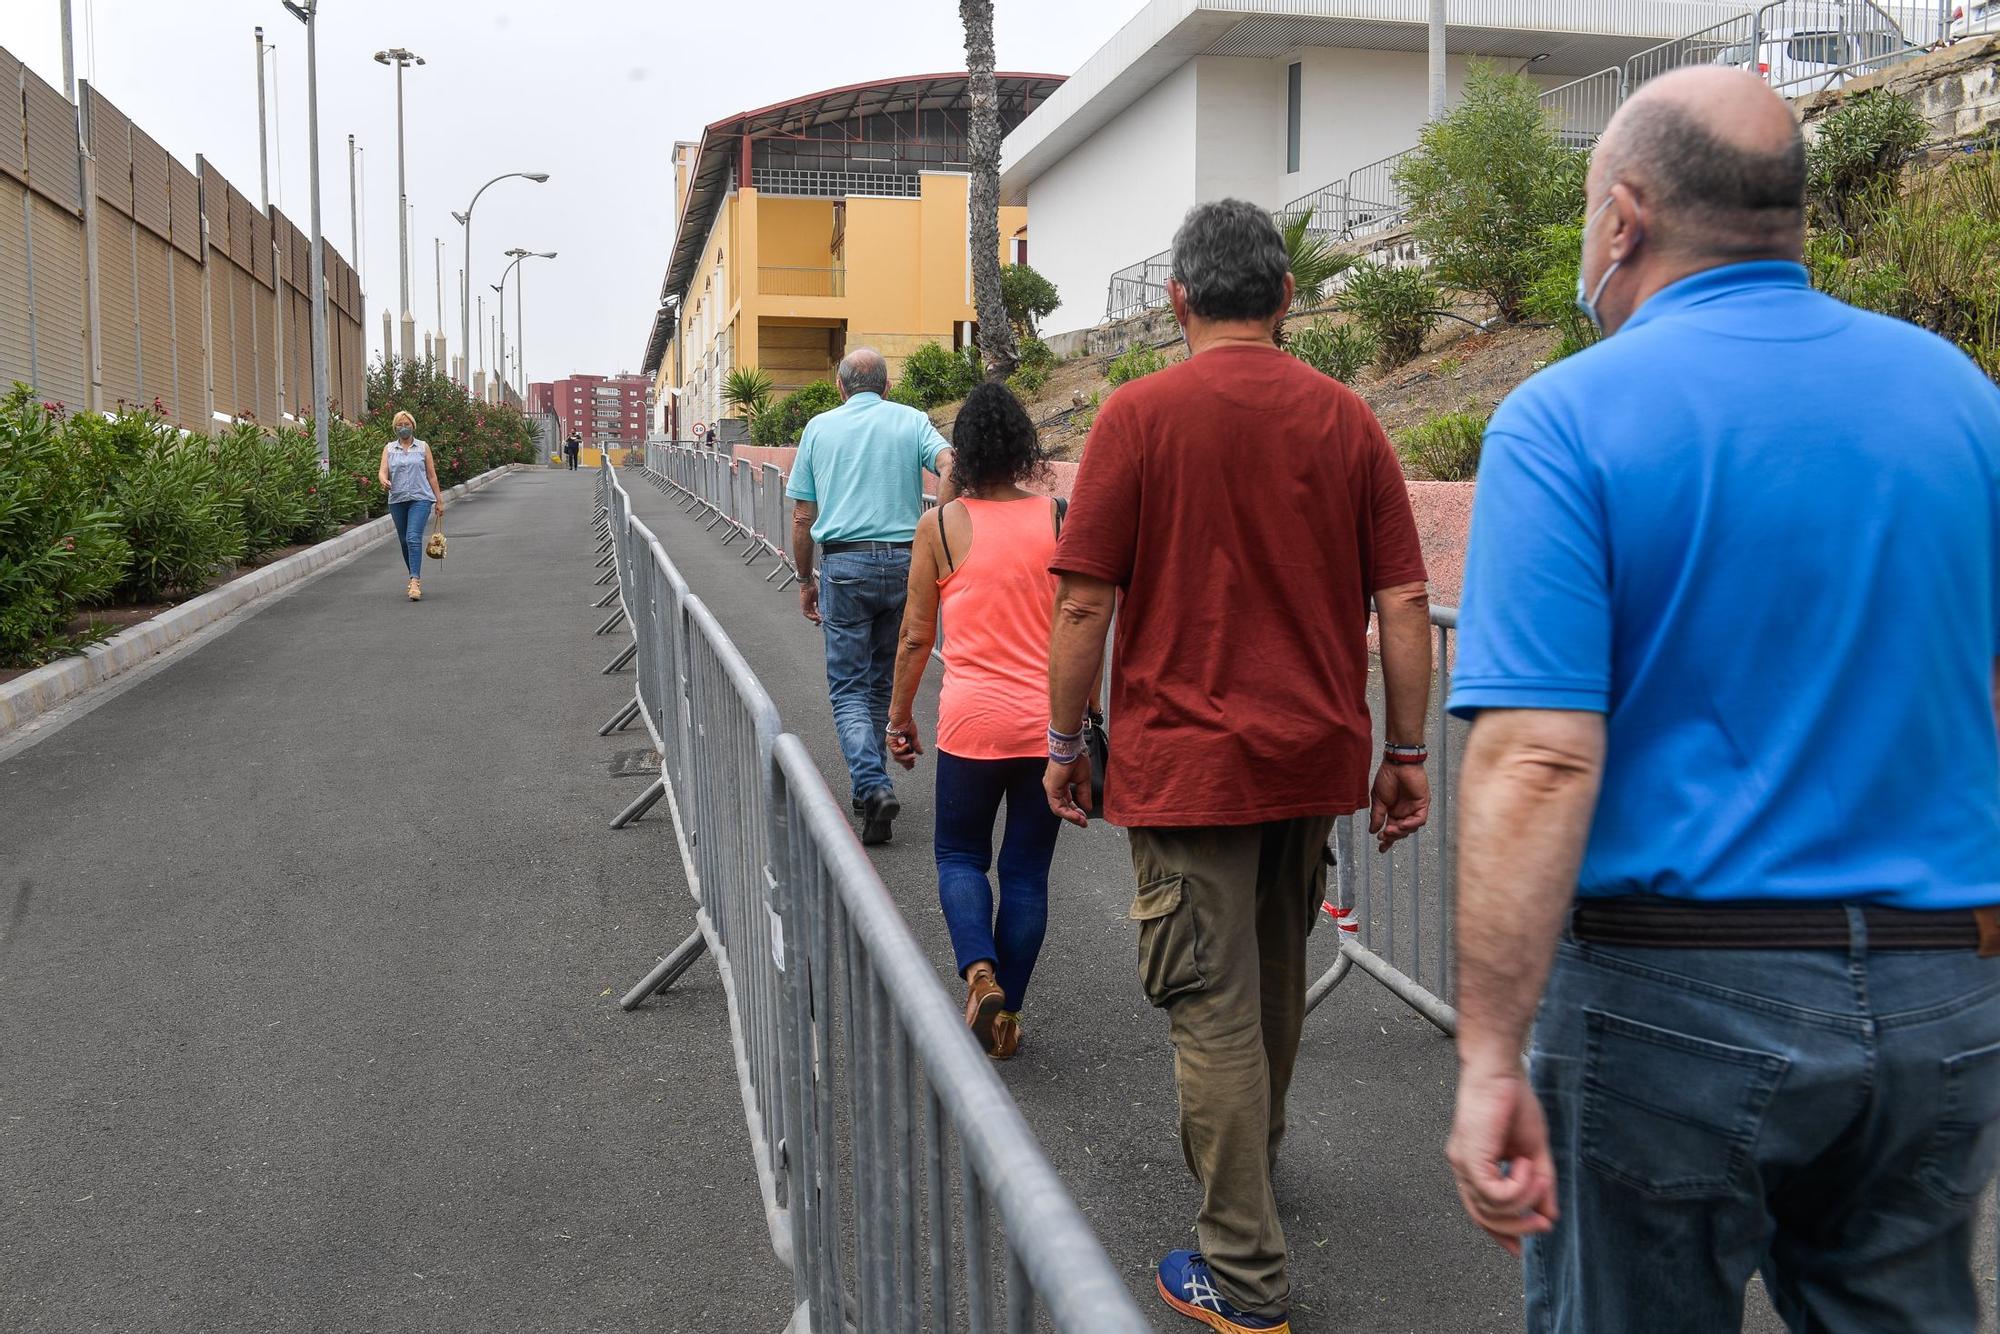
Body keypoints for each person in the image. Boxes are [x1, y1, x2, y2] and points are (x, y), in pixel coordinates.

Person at [1443, 67, 2000, 1333]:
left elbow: (1535, 757)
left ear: (1624, 220)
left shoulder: (1563, 421)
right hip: (1936, 998)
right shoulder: (1962, 400)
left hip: (1673, 1001)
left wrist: (1487, 1055)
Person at [1043, 198, 1433, 1334]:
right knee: (1268, 980)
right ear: (1284, 295)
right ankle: (1248, 1168)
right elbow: (1402, 600)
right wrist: (1404, 750)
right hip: (1310, 759)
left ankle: (1244, 1272)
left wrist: (1062, 744)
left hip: (1187, 765)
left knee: (1207, 1005)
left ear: (1176, 299)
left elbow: (1082, 602)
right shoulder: (1346, 420)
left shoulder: (1137, 416)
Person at [884, 381, 1071, 1060]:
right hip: (1047, 726)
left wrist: (899, 717)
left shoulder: (938, 526)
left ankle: (978, 973)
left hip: (970, 725)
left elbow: (913, 635)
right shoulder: (1057, 517)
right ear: (1023, 447)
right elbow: (1083, 626)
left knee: (960, 856)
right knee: (1025, 874)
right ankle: (1008, 1017)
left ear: (961, 452)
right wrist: (1086, 720)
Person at [787, 348, 956, 844]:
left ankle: (871, 785)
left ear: (841, 388)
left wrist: (804, 579)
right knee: (882, 678)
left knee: (847, 687)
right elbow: (952, 461)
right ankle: (871, 789)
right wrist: (935, 525)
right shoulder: (911, 420)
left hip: (844, 565)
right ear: (886, 387)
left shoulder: (819, 428)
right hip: (905, 564)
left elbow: (802, 517)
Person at [377, 410, 444, 602]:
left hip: (421, 498)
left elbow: (431, 475)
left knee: (413, 537)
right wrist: (384, 481)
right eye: (399, 425)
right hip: (397, 500)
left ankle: (415, 581)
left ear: (413, 426)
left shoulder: (423, 447)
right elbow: (382, 471)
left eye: (406, 424)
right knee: (404, 541)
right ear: (395, 428)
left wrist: (439, 500)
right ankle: (412, 574)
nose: (403, 428)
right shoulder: (389, 449)